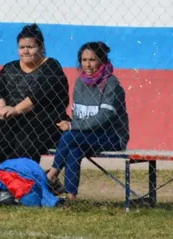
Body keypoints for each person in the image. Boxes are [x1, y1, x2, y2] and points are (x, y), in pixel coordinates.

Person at [0, 24, 70, 173]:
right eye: (22, 47)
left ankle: (23, 183)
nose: (25, 51)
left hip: (42, 121)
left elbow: (39, 96)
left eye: (30, 46)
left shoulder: (52, 67)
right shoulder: (9, 67)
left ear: (41, 47)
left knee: (24, 143)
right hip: (10, 120)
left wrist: (16, 109)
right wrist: (0, 109)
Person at [45, 42, 129, 200]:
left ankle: (51, 175)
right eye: (84, 60)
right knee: (74, 149)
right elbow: (77, 113)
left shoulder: (111, 83)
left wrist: (72, 126)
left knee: (70, 137)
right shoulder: (79, 82)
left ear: (102, 61)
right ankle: (72, 196)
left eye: (92, 60)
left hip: (111, 136)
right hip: (85, 135)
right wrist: (75, 126)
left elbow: (105, 117)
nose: (88, 65)